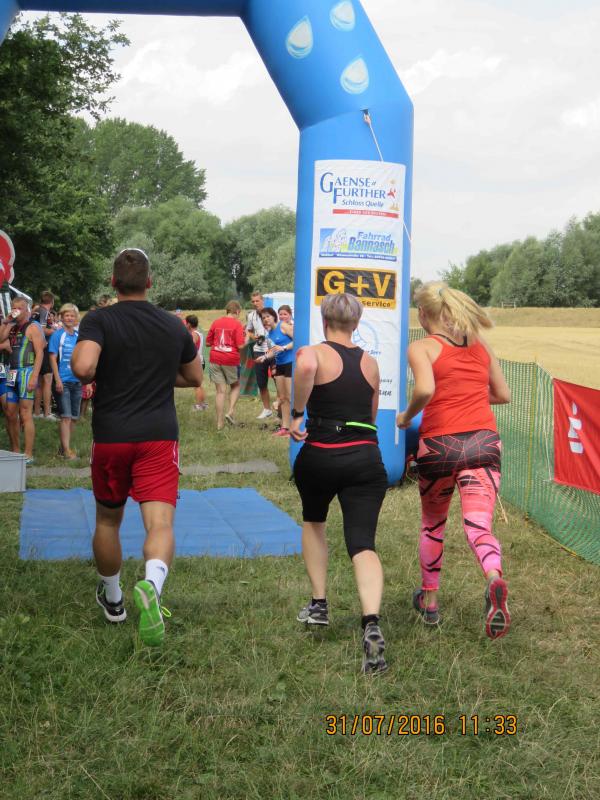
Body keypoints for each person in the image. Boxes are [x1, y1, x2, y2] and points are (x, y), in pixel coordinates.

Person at [71, 248, 203, 647]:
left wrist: (107, 367)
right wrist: (158, 376)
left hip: (112, 435)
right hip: (159, 436)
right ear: (149, 282)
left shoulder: (99, 319)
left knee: (108, 521)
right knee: (160, 524)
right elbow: (194, 377)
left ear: (113, 282)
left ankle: (114, 600)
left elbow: (83, 368)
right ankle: (152, 585)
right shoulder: (173, 324)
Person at [396, 281, 511, 640]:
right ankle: (493, 577)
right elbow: (503, 394)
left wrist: (405, 416)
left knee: (433, 524)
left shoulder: (421, 347)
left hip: (439, 446)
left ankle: (430, 603)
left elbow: (425, 389)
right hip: (483, 444)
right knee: (479, 525)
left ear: (422, 314)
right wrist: (469, 393)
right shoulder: (481, 345)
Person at [290, 293, 389, 674]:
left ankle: (319, 603)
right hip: (365, 457)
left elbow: (304, 364)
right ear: (356, 324)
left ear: (324, 319)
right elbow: (372, 416)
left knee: (314, 521)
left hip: (320, 454)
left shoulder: (313, 353)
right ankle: (371, 623)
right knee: (363, 544)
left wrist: (297, 414)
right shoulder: (371, 363)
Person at [0, 297, 46, 463]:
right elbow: (0, 339)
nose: (16, 310)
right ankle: (15, 450)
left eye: (19, 307)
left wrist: (34, 376)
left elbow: (40, 353)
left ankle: (28, 454)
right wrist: (6, 322)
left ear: (27, 310)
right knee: (10, 413)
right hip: (12, 373)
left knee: (25, 413)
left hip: (27, 371)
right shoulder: (12, 327)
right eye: (14, 307)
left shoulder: (33, 326)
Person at [48, 303, 82, 459]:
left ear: (76, 318)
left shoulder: (79, 336)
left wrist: (87, 380)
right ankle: (67, 451)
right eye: (67, 315)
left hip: (77, 381)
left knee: (74, 418)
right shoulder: (57, 335)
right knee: (66, 416)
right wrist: (57, 380)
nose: (69, 318)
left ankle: (63, 449)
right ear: (61, 317)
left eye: (72, 316)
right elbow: (52, 358)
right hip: (63, 381)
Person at [206, 300, 245, 431]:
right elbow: (240, 346)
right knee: (236, 385)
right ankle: (230, 411)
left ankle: (219, 423)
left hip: (215, 358)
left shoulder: (216, 322)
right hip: (230, 359)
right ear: (237, 311)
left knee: (220, 392)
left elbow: (208, 343)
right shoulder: (237, 324)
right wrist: (246, 339)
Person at [266, 305, 294, 437]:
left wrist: (284, 348)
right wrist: (264, 357)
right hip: (280, 365)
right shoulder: (270, 333)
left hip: (290, 363)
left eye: (267, 317)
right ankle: (285, 428)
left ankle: (295, 428)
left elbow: (298, 340)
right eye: (263, 318)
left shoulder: (284, 326)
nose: (266, 320)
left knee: (290, 396)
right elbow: (273, 351)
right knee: (282, 398)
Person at [246, 291, 273, 420]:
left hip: (272, 349)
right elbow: (248, 331)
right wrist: (254, 336)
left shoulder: (271, 312)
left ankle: (281, 410)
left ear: (263, 301)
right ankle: (267, 410)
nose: (255, 303)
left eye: (257, 300)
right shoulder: (251, 315)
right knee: (262, 383)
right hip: (258, 350)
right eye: (253, 301)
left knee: (278, 381)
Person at [33, 291, 57, 420]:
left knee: (39, 381)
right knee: (48, 380)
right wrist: (54, 330)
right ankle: (47, 413)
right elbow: (41, 329)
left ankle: (37, 412)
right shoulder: (44, 312)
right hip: (44, 348)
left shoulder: (36, 310)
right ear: (51, 302)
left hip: (36, 349)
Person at [185, 314, 207, 411]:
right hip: (201, 361)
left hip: (196, 362)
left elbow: (190, 346)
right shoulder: (199, 333)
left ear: (189, 324)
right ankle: (203, 404)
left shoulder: (193, 334)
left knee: (196, 385)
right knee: (199, 384)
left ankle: (199, 405)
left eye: (186, 323)